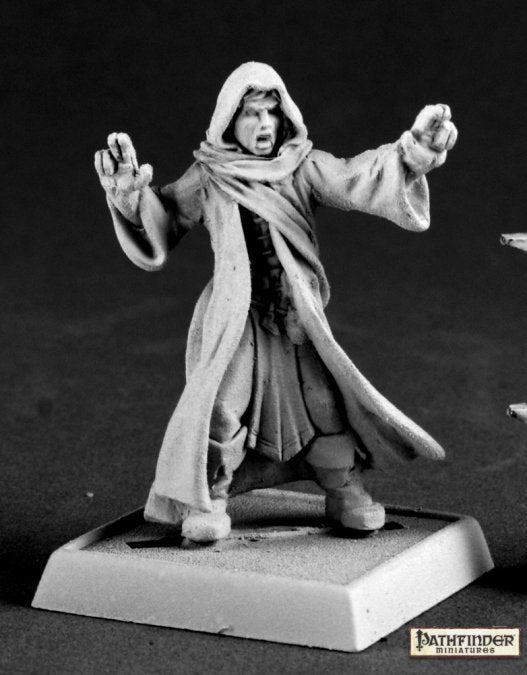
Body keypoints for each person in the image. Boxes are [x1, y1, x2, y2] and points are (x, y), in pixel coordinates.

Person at [95, 62, 457, 542]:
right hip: (237, 316)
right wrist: (128, 196)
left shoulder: (302, 166)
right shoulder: (211, 175)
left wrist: (414, 150)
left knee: (324, 405)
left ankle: (343, 489)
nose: (263, 123)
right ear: (230, 120)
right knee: (222, 406)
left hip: (296, 315)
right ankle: (210, 498)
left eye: (271, 111)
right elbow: (165, 217)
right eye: (251, 113)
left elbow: (358, 177)